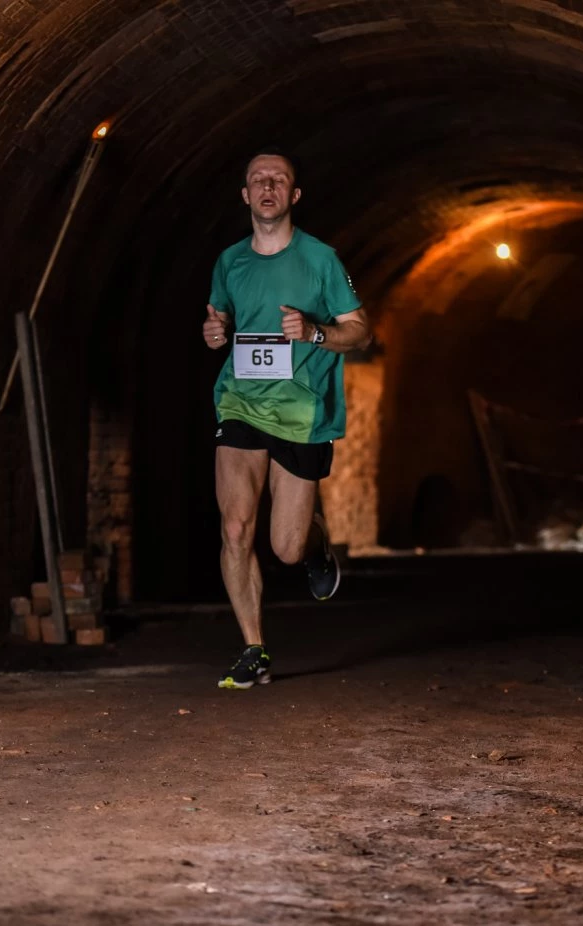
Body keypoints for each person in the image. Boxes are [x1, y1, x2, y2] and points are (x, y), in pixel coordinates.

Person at [202, 148, 373, 690]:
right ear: (246, 195)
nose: (268, 187)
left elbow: (360, 330)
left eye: (278, 180)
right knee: (235, 528)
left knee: (286, 548)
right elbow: (220, 319)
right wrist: (214, 333)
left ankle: (316, 540)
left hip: (302, 411)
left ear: (293, 195)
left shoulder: (321, 259)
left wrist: (315, 332)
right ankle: (253, 649)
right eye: (258, 180)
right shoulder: (230, 261)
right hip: (240, 401)